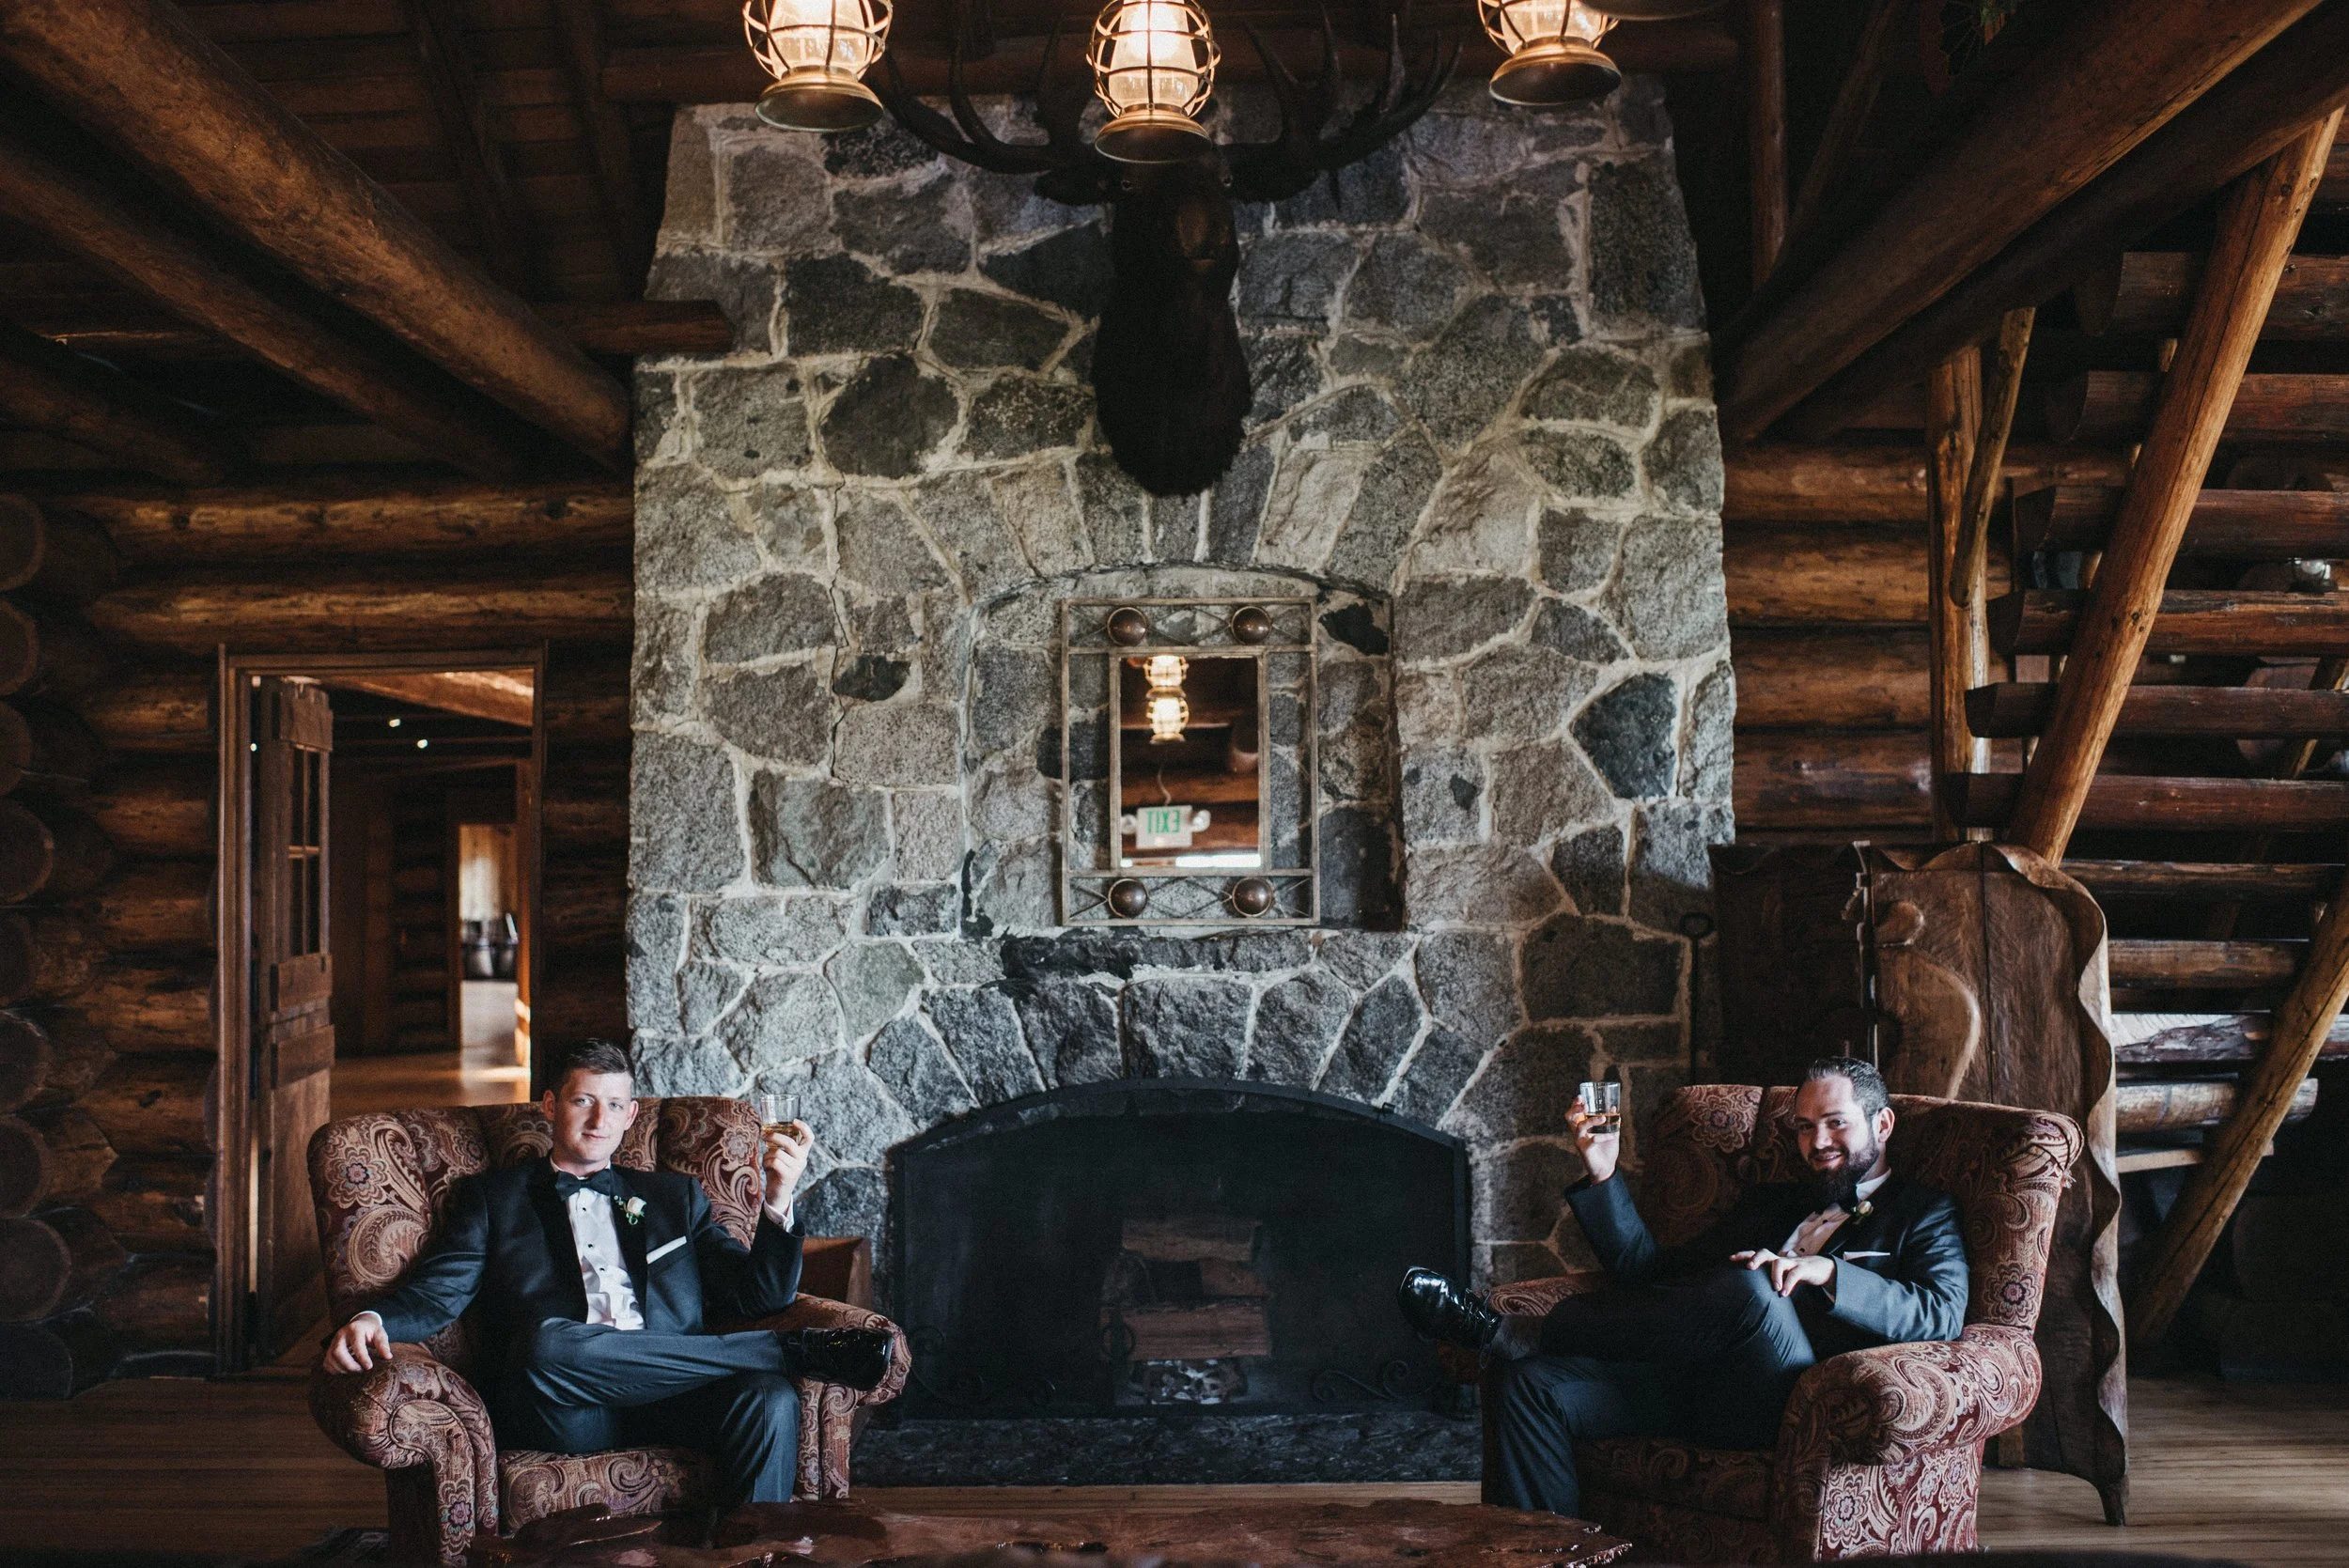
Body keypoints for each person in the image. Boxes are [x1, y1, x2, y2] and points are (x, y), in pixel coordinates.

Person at [321, 1037, 891, 1507]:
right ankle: (784, 1351)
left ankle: (745, 1557)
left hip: (677, 1392)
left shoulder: (674, 1198)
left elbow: (759, 1296)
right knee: (548, 1344)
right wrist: (373, 1317)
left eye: (615, 1105)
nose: (600, 1120)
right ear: (549, 1106)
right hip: (568, 1407)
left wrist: (777, 1201)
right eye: (583, 1102)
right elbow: (437, 1291)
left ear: (631, 1115)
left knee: (770, 1401)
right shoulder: (496, 1199)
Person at [1397, 1057, 1968, 1516]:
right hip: (1683, 1384)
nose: (1818, 1140)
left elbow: (1942, 1313)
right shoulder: (1772, 1202)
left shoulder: (1922, 1212)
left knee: (1753, 1288)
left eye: (1837, 1121)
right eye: (1804, 1125)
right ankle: (1539, 1560)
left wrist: (1831, 1273)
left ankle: (1513, 1331)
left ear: (1882, 1123)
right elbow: (1653, 1280)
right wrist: (1603, 1172)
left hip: (1787, 1403)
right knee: (1529, 1383)